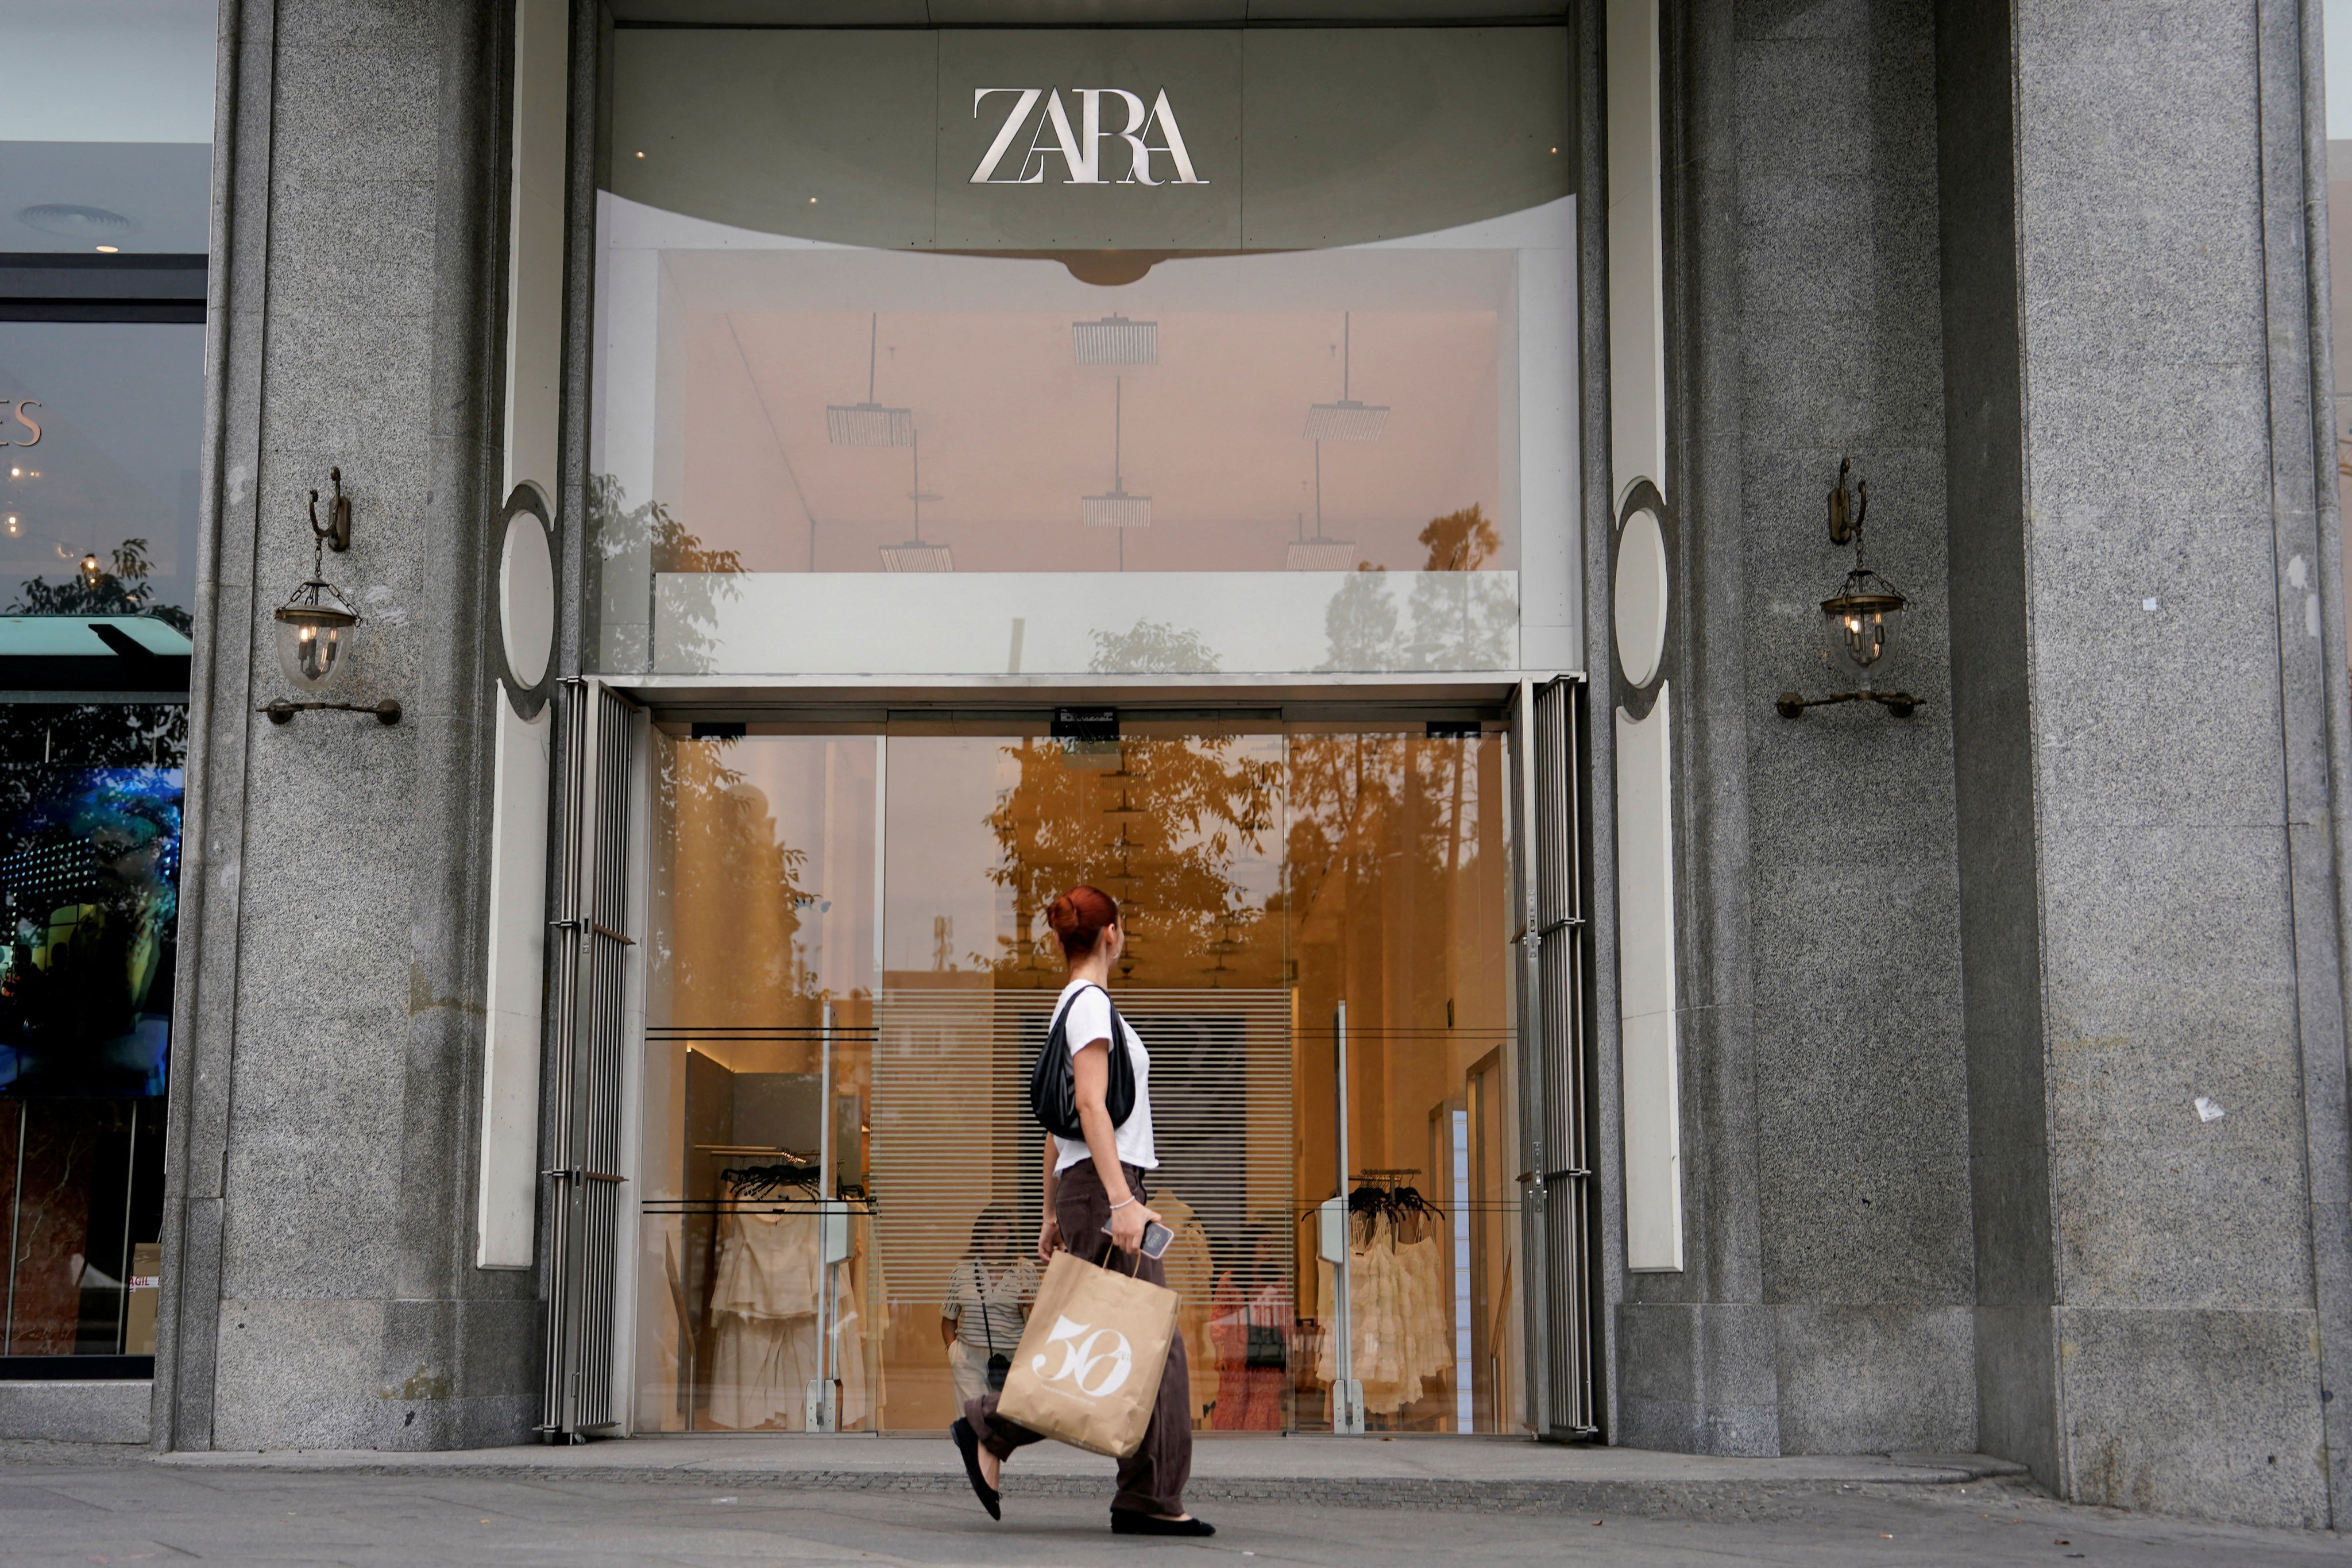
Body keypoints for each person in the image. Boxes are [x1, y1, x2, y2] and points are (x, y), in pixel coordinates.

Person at [950, 885, 1213, 1538]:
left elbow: (1055, 1129)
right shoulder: (1092, 1005)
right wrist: (1122, 1201)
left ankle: (1125, 1487)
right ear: (1112, 936)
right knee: (1155, 1348)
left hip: (1086, 1186)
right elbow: (1090, 1108)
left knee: (1105, 1338)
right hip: (1106, 1188)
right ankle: (1135, 1492)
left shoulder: (1068, 1007)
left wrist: (1049, 1211)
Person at [940, 1203, 1036, 1407]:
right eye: (990, 1236)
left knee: (1003, 1424)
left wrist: (1026, 1306)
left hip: (1011, 1359)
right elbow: (948, 1320)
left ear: (1010, 1238)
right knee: (974, 1422)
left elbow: (1037, 1322)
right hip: (968, 1358)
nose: (995, 1243)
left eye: (1002, 1237)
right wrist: (953, 1352)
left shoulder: (1024, 1269)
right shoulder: (962, 1270)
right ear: (980, 1236)